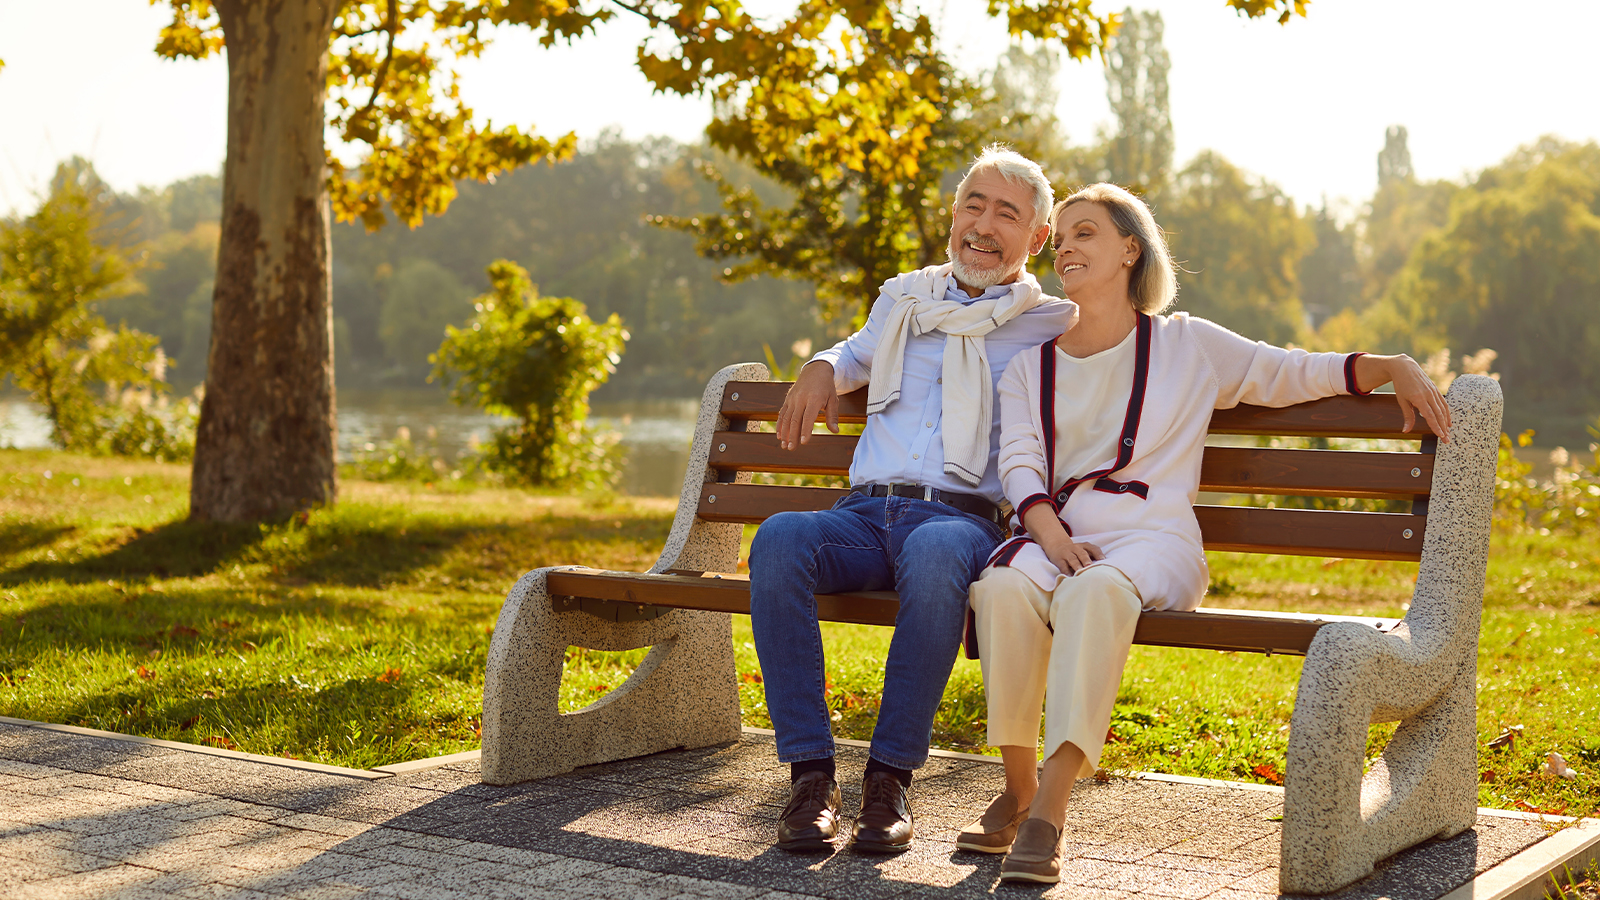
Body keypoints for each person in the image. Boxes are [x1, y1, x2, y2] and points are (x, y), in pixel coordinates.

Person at [957, 183, 1452, 883]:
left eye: (1085, 233)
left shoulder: (1187, 344)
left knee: (1096, 591)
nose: (1065, 248)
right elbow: (1019, 465)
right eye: (1060, 238)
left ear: (1130, 250)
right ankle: (1019, 787)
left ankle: (1052, 809)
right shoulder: (1030, 366)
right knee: (1003, 586)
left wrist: (1389, 365)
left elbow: (1292, 371)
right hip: (1059, 538)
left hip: (1154, 542)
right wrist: (1052, 538)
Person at [751, 146, 1079, 854]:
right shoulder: (903, 299)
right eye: (972, 206)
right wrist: (821, 365)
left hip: (960, 520)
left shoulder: (1053, 323)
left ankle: (889, 779)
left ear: (1038, 239)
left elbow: (1131, 352)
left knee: (934, 549)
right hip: (863, 515)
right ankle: (811, 778)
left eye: (1006, 214)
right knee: (779, 537)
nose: (983, 226)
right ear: (953, 216)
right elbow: (855, 353)